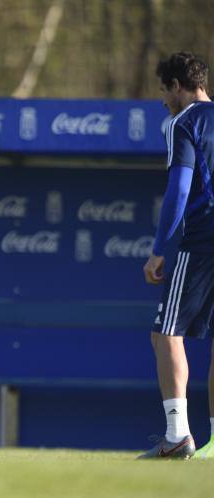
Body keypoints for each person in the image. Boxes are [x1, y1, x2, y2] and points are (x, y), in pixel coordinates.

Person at [141, 51, 214, 459]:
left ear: (176, 85)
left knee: (165, 333)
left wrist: (157, 250)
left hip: (203, 240)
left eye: (164, 90)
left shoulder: (182, 122)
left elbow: (180, 190)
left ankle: (178, 436)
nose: (164, 99)